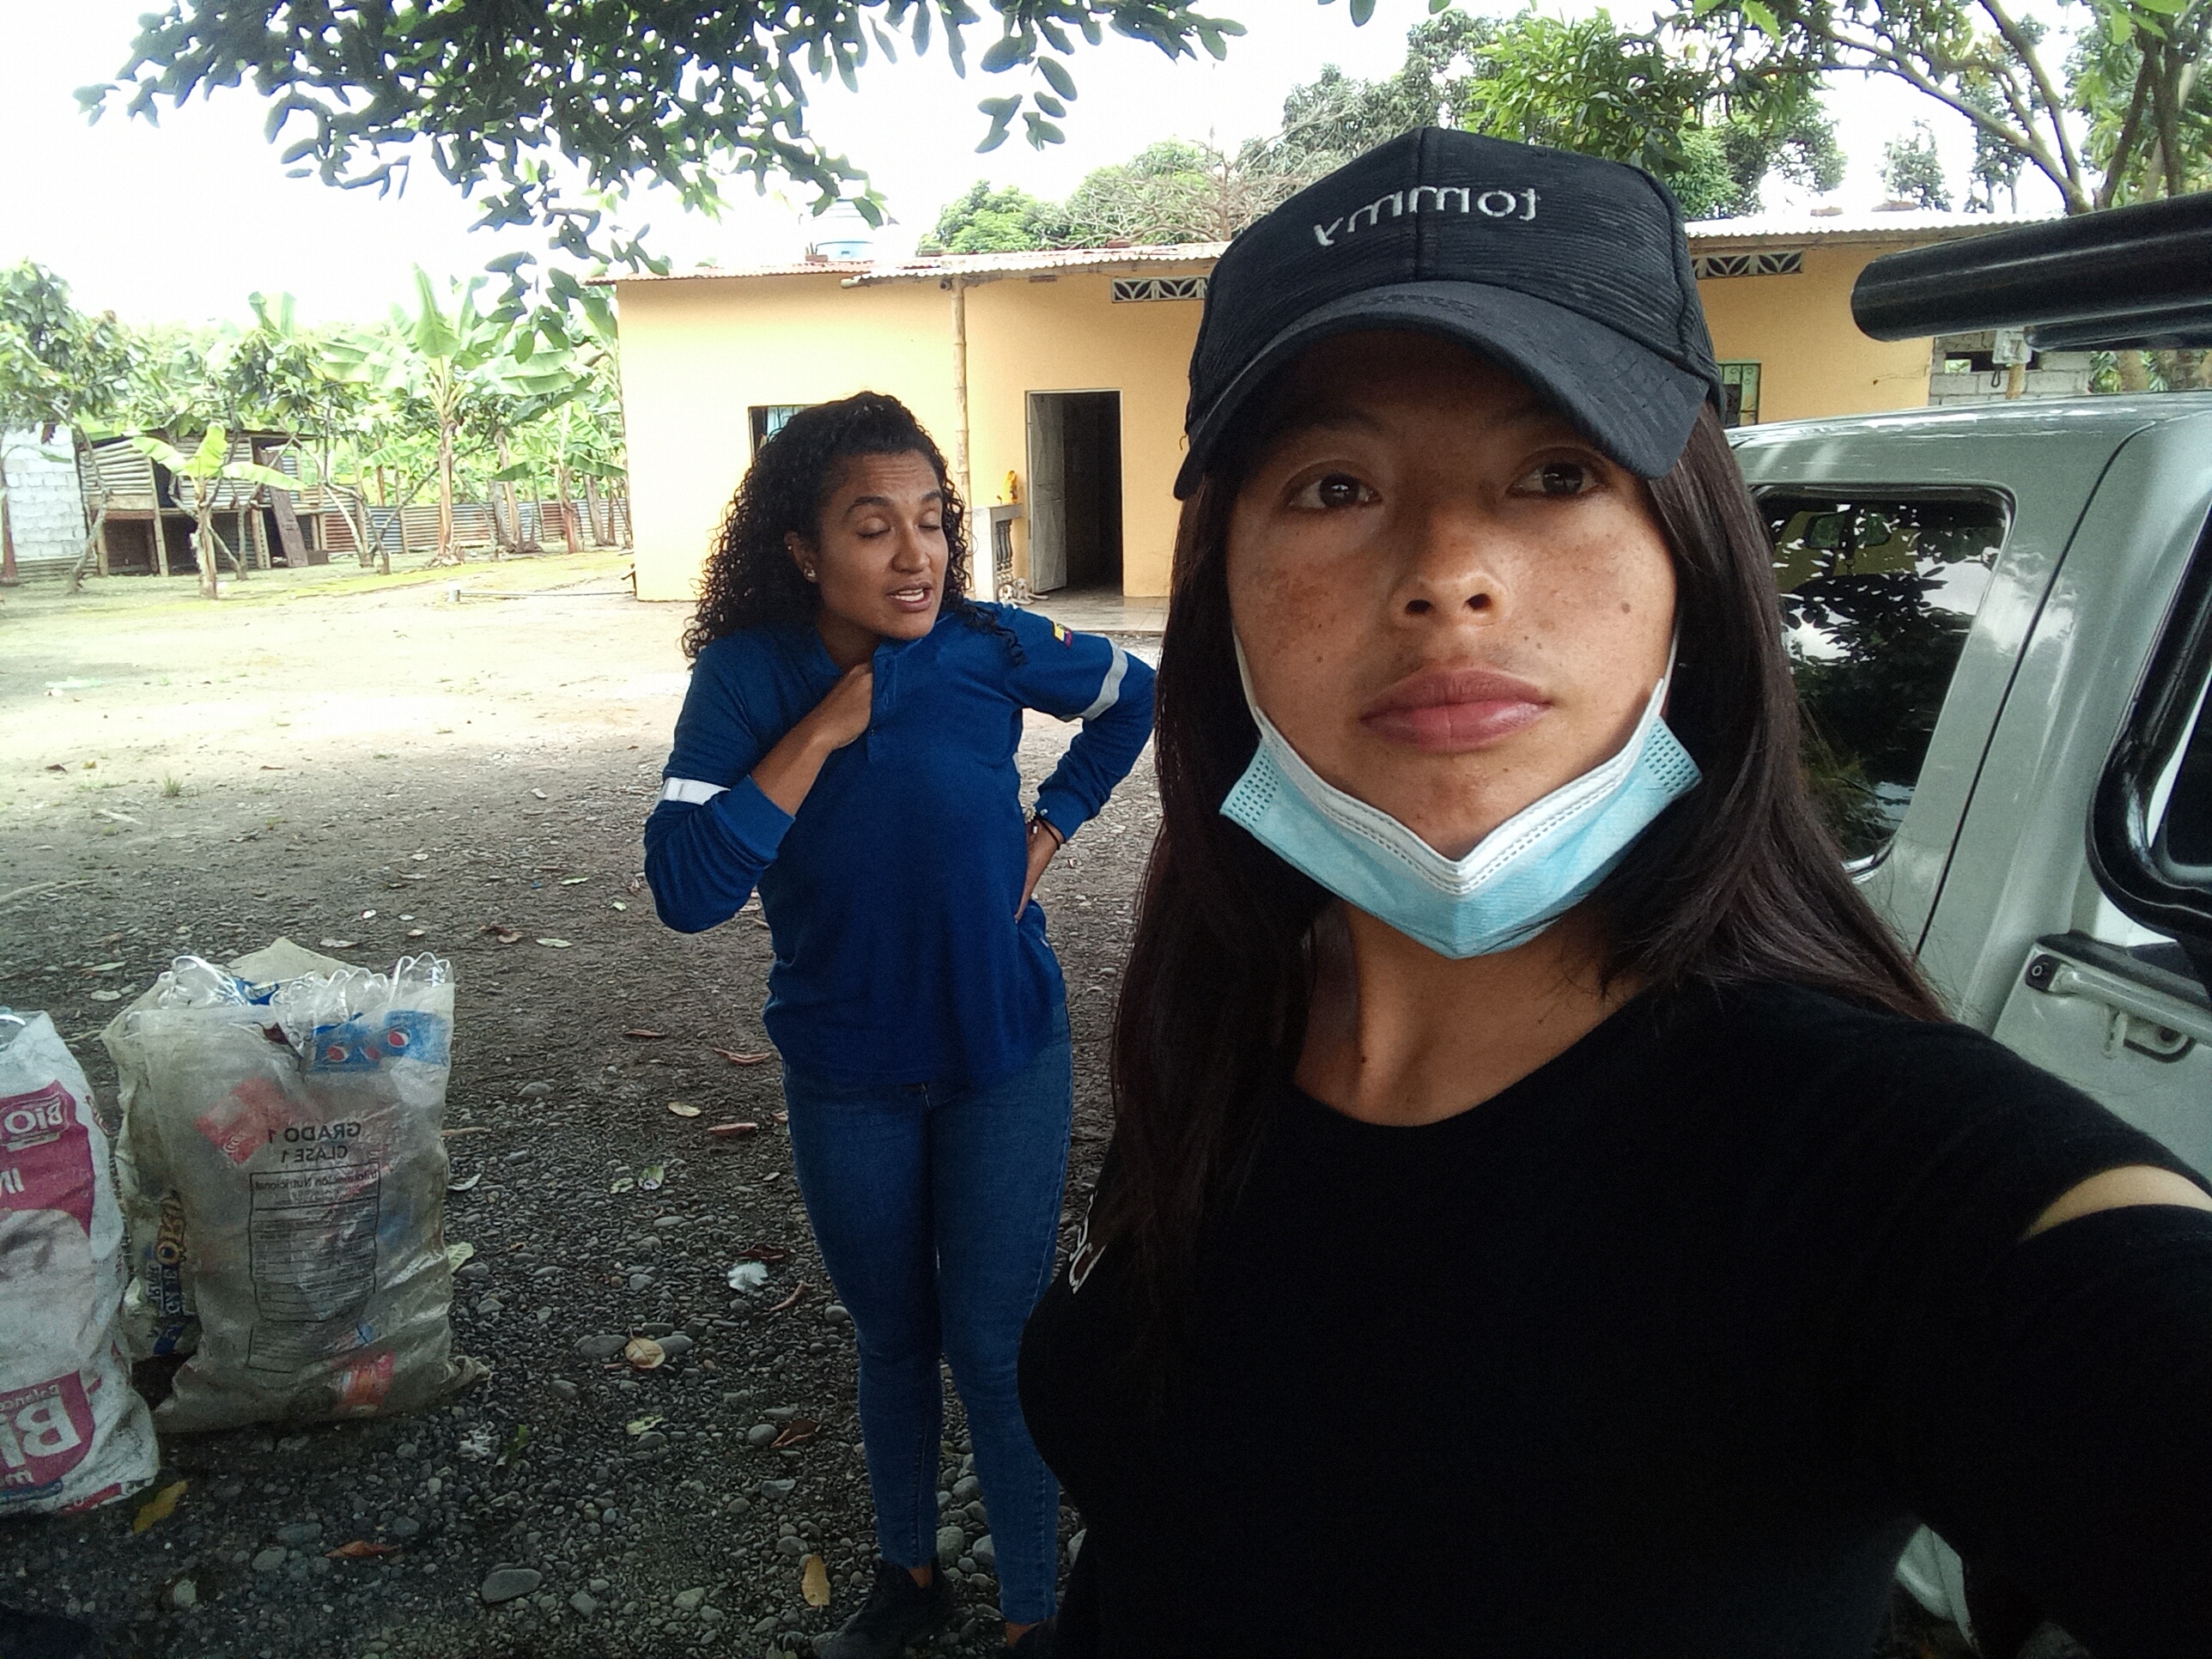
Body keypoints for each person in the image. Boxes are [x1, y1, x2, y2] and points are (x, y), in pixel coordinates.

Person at [1017, 130, 2212, 1657]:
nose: (1450, 572)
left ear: (1690, 575)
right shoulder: (1228, 1007)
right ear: (1224, 602)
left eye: (1558, 472)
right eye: (1334, 485)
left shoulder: (1872, 1162)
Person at [646, 393, 1154, 1658]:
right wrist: (828, 726)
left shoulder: (991, 645)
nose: (915, 555)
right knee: (892, 1339)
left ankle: (1033, 1614)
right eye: (873, 528)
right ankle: (908, 1579)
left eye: (932, 521)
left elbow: (1133, 696)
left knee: (993, 1343)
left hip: (1002, 1050)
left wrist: (1051, 827)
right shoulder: (748, 677)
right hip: (848, 1071)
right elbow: (688, 888)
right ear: (803, 549)